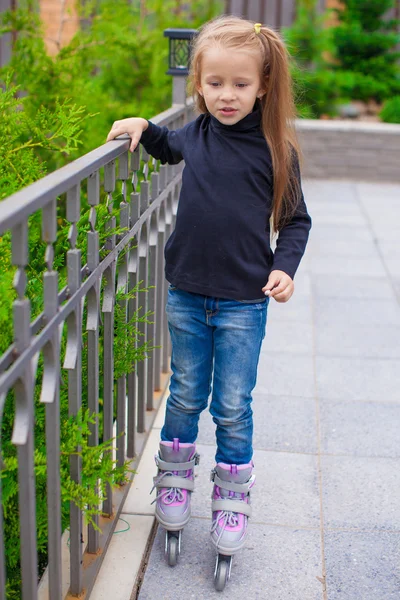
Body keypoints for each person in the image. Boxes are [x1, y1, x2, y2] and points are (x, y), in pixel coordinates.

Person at [106, 15, 311, 587]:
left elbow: (295, 221)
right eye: (214, 83)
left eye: (240, 85)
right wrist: (142, 125)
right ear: (199, 82)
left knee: (233, 403)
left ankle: (230, 494)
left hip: (246, 300)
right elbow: (166, 146)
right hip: (187, 292)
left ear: (262, 86)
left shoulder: (277, 150)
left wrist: (283, 268)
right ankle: (174, 478)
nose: (226, 95)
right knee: (188, 391)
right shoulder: (194, 135)